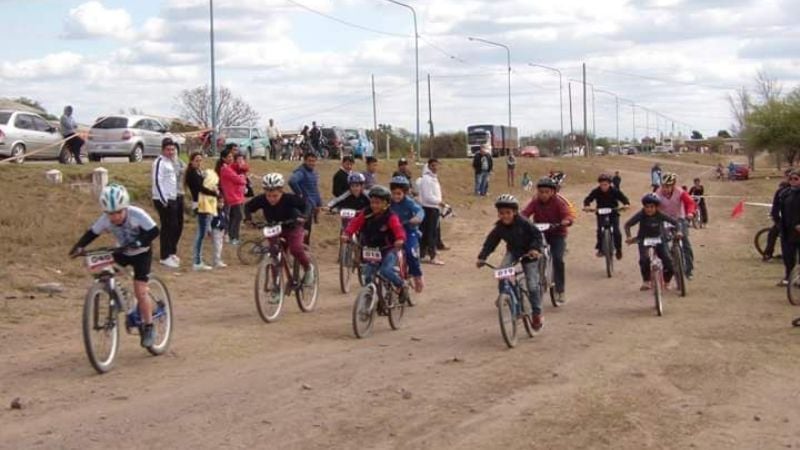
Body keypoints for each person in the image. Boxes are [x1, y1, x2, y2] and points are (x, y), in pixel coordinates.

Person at [70, 184, 159, 347]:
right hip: (123, 251)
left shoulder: (136, 214)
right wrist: (79, 246)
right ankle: (117, 297)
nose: (115, 217)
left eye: (119, 212)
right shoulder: (105, 220)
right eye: (111, 214)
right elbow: (92, 233)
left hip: (142, 254)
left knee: (140, 291)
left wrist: (140, 241)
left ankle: (149, 326)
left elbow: (154, 231)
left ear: (125, 207)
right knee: (105, 271)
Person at [476, 194, 545, 330]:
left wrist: (535, 249)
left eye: (508, 213)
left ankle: (537, 314)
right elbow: (490, 243)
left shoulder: (524, 223)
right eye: (501, 213)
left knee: (532, 285)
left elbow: (537, 235)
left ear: (515, 212)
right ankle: (505, 295)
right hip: (514, 252)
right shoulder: (499, 227)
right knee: (501, 271)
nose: (505, 216)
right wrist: (482, 257)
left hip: (530, 254)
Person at [245, 174, 315, 286]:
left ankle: (308, 268)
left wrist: (304, 216)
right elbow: (248, 206)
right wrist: (248, 219)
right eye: (268, 195)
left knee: (295, 248)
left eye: (275, 195)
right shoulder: (262, 199)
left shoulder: (289, 198)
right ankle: (276, 286)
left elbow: (307, 205)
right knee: (274, 255)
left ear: (281, 191)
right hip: (274, 228)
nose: (271, 199)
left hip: (292, 227)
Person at [342, 185, 409, 303]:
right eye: (372, 202)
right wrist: (347, 233)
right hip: (371, 249)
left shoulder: (391, 217)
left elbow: (398, 229)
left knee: (386, 271)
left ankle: (402, 285)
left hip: (388, 249)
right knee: (367, 274)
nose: (374, 206)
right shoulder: (366, 213)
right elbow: (355, 223)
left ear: (386, 204)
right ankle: (371, 296)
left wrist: (400, 239)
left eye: (378, 203)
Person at [521, 177, 574, 304]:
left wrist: (566, 220)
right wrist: (521, 220)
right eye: (541, 192)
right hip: (539, 234)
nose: (543, 194)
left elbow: (567, 214)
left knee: (558, 259)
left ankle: (560, 290)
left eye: (547, 192)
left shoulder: (559, 202)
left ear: (553, 192)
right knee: (530, 255)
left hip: (557, 233)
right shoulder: (535, 202)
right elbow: (525, 213)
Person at [624, 194, 679, 291]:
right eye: (646, 207)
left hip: (659, 238)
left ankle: (667, 282)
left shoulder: (660, 214)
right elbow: (627, 225)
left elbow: (675, 223)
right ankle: (646, 281)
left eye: (652, 207)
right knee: (644, 259)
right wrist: (629, 237)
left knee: (669, 261)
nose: (649, 209)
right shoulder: (641, 214)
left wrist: (678, 231)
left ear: (657, 207)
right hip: (643, 239)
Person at [655, 173, 697, 279]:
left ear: (673, 185)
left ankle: (689, 270)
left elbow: (690, 203)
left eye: (668, 186)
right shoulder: (657, 193)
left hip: (679, 218)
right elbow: (652, 206)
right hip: (664, 219)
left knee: (686, 242)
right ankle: (666, 264)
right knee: (662, 241)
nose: (665, 189)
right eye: (663, 186)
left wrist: (690, 213)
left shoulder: (680, 192)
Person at [390, 176, 425, 293]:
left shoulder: (409, 202)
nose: (396, 196)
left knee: (411, 252)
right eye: (394, 193)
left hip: (409, 231)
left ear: (404, 193)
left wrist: (417, 218)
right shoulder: (388, 202)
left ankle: (417, 277)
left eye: (399, 194)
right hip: (393, 231)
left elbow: (420, 211)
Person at [582, 174, 631, 259]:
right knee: (600, 231)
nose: (603, 187)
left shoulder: (615, 190)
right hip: (601, 213)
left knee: (617, 232)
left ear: (609, 184)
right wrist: (587, 206)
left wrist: (626, 204)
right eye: (601, 185)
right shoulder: (596, 191)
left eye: (605, 184)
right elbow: (588, 199)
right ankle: (601, 249)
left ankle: (618, 249)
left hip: (613, 212)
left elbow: (623, 198)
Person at [185, 152, 219, 271]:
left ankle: (198, 260)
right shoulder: (192, 173)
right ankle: (197, 261)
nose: (199, 163)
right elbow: (200, 188)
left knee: (202, 233)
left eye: (200, 160)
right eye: (197, 160)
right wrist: (214, 193)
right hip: (200, 204)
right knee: (201, 234)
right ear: (191, 161)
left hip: (203, 203)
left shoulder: (198, 172)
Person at [151, 137, 181, 268]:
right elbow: (157, 181)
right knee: (167, 227)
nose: (171, 152)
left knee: (174, 226)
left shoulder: (170, 161)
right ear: (163, 150)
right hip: (163, 199)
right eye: (168, 149)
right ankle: (164, 256)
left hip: (172, 198)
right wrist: (164, 200)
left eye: (172, 149)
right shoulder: (159, 162)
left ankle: (171, 251)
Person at [773, 169, 800, 286]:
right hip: (787, 230)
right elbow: (776, 210)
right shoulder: (784, 193)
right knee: (788, 256)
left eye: (796, 179)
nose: (793, 181)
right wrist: (779, 224)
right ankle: (789, 276)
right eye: (791, 179)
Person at [289, 152, 322, 244]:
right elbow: (292, 181)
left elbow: (315, 189)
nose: (312, 163)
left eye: (314, 161)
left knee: (308, 229)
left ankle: (303, 249)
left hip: (312, 204)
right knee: (304, 228)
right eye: (309, 161)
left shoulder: (314, 173)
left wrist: (319, 203)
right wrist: (299, 194)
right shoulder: (301, 172)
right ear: (305, 161)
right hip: (304, 205)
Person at [418, 158, 446, 265]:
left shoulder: (433, 178)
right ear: (429, 166)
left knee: (428, 233)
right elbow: (427, 196)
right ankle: (432, 256)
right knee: (431, 233)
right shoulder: (426, 179)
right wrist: (439, 202)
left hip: (434, 208)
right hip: (429, 208)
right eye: (433, 165)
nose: (435, 167)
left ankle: (424, 254)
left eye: (436, 165)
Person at [217, 146, 246, 245]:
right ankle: (233, 237)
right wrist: (242, 177)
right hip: (233, 196)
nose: (231, 158)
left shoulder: (228, 168)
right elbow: (239, 180)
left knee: (235, 216)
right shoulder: (225, 169)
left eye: (231, 156)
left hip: (234, 196)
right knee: (237, 217)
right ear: (223, 158)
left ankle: (233, 236)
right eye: (228, 157)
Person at [766, 169, 793, 261]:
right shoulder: (782, 191)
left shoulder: (782, 191)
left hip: (788, 220)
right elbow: (775, 208)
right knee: (773, 234)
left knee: (774, 235)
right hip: (785, 219)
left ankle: (768, 254)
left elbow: (775, 208)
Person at [210, 199, 228, 268]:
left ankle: (217, 260)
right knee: (217, 246)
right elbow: (212, 221)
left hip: (221, 230)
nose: (221, 204)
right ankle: (216, 261)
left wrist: (225, 231)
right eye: (219, 202)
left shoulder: (223, 211)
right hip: (216, 229)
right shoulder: (214, 211)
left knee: (220, 246)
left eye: (222, 202)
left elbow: (225, 220)